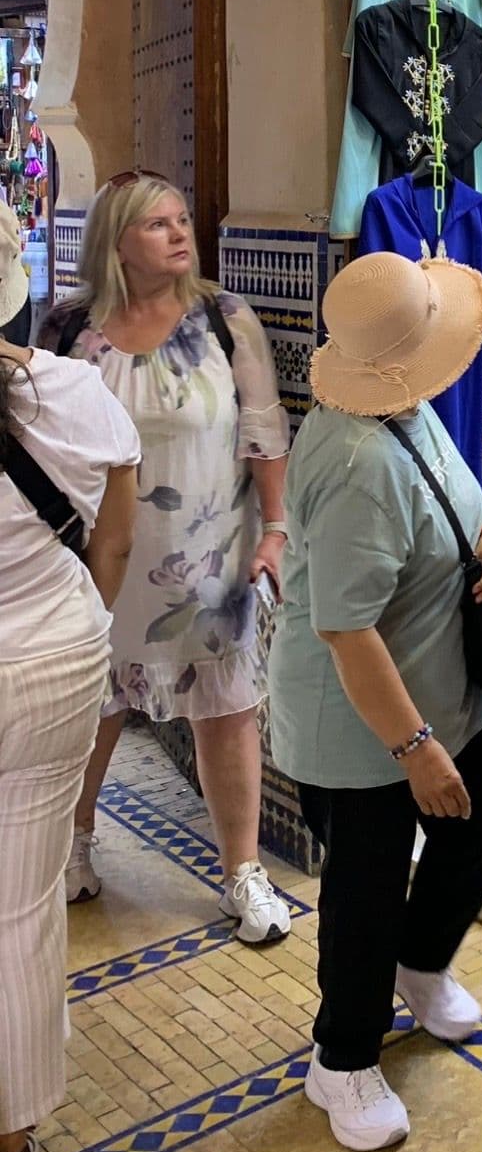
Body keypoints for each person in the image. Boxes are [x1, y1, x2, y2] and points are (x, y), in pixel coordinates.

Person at [268, 250, 482, 1152]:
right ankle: (340, 1059)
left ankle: (418, 964)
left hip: (441, 689)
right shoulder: (357, 458)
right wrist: (415, 749)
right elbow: (345, 630)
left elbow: (454, 509)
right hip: (364, 721)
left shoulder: (404, 410)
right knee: (366, 888)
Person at [37, 172, 294, 942]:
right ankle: (72, 846)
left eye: (183, 220)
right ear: (117, 241)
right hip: (98, 557)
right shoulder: (69, 327)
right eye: (159, 224)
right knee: (91, 707)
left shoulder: (225, 318)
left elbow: (263, 429)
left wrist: (276, 530)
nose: (181, 234)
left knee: (228, 710)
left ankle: (241, 874)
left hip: (211, 555)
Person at [0, 199, 139, 1152]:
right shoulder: (77, 392)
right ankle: (7, 1144)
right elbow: (115, 551)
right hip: (50, 661)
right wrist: (78, 618)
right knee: (20, 905)